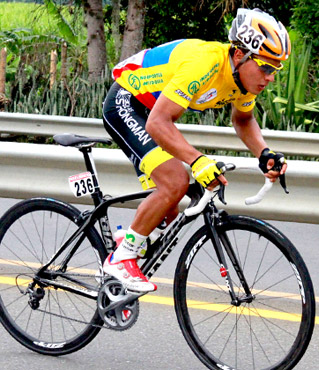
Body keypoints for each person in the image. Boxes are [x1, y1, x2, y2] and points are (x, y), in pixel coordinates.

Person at [102, 8, 290, 292]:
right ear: (240, 55)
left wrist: (264, 153)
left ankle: (128, 241)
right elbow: (158, 122)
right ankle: (121, 259)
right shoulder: (205, 63)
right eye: (265, 67)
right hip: (128, 104)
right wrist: (197, 160)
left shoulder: (245, 80)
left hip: (155, 113)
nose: (270, 77)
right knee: (175, 180)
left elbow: (243, 119)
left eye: (275, 69)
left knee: (169, 210)